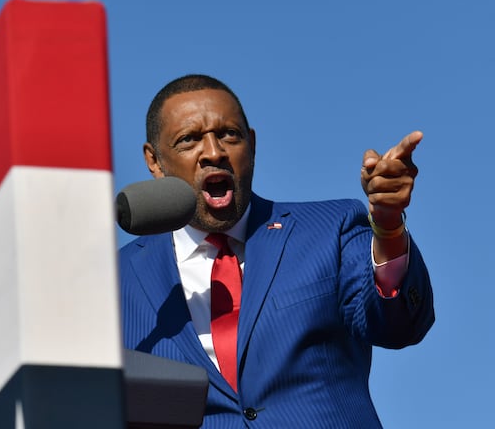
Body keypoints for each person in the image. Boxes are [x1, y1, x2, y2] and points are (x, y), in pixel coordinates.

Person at [118, 74, 434, 428]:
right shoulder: (117, 281)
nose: (214, 152)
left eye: (229, 135)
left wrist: (388, 226)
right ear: (155, 161)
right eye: (188, 140)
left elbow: (400, 325)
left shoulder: (329, 229)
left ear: (251, 144)